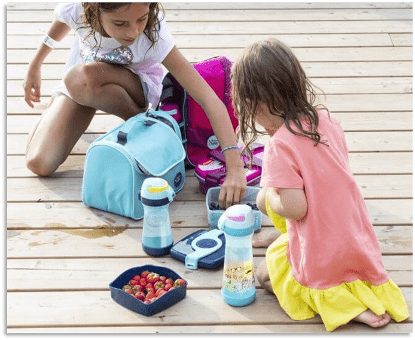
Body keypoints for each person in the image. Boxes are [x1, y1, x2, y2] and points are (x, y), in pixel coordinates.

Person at [231, 38, 409, 332]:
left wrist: (268, 195)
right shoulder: (326, 121)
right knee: (282, 219)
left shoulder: (281, 144)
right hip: (354, 238)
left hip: (320, 252)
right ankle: (353, 295)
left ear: (254, 105)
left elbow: (296, 207)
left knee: (264, 276)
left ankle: (346, 308)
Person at [23, 2, 246, 208]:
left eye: (141, 19)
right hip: (82, 83)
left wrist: (235, 167)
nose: (133, 32)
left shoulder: (152, 33)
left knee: (78, 78)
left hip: (133, 88)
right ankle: (60, 103)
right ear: (92, 10)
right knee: (39, 163)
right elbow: (61, 23)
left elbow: (207, 98)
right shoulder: (77, 8)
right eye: (120, 23)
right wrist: (35, 64)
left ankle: (145, 125)